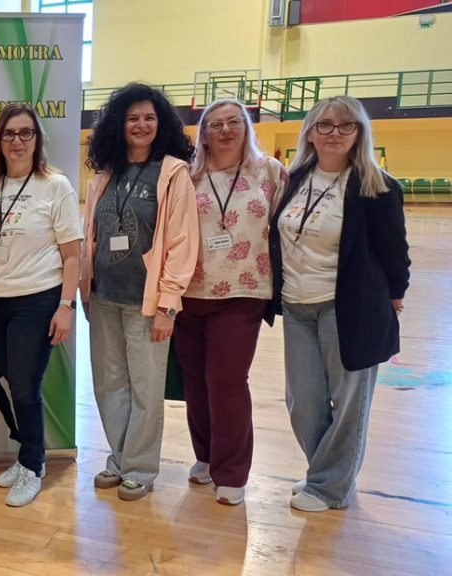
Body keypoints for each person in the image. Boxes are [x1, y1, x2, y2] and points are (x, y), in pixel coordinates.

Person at [268, 96, 410, 512]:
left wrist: (394, 297)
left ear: (359, 133)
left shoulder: (378, 187)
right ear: (310, 132)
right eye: (325, 125)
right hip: (296, 306)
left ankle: (331, 488)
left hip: (349, 309)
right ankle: (325, 472)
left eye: (346, 126)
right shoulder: (293, 178)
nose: (335, 133)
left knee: (349, 405)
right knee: (304, 403)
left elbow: (395, 253)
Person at [80, 83, 199, 501]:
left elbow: (182, 242)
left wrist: (168, 304)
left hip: (146, 303)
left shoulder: (173, 173)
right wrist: (85, 287)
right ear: (119, 124)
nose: (141, 125)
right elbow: (91, 235)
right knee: (109, 384)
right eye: (133, 118)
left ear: (161, 123)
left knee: (145, 389)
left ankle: (141, 468)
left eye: (149, 117)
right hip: (104, 298)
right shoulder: (105, 175)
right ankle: (120, 457)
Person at [173, 99, 287, 506]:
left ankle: (232, 472)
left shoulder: (269, 172)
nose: (224, 130)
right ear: (203, 134)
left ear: (246, 128)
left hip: (243, 291)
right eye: (215, 124)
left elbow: (286, 227)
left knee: (227, 381)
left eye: (233, 122)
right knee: (195, 382)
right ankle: (206, 456)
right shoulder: (188, 176)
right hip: (189, 293)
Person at [0, 103, 82, 508]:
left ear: (37, 139)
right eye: (9, 133)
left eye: (25, 133)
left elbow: (73, 254)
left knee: (24, 385)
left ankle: (33, 465)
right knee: (13, 381)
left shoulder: (55, 186)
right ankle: (25, 457)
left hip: (37, 300)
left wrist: (66, 305)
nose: (17, 141)